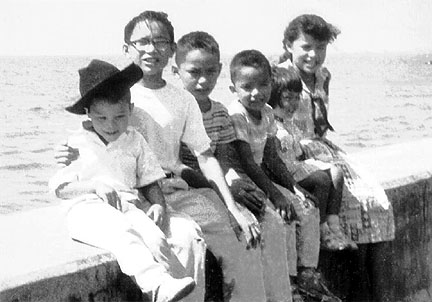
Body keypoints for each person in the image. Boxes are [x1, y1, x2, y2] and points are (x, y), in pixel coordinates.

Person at [52, 10, 268, 302]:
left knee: (238, 237)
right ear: (126, 47)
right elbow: (86, 139)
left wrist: (233, 208)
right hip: (130, 195)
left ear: (172, 49)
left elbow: (205, 156)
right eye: (142, 41)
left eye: (160, 41)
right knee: (182, 237)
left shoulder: (182, 98)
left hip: (170, 190)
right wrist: (64, 153)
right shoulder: (113, 95)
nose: (151, 49)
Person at [49, 60, 202, 302]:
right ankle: (156, 283)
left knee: (156, 238)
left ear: (130, 109)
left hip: (126, 206)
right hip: (86, 207)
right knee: (123, 233)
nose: (111, 125)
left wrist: (158, 204)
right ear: (88, 114)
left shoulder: (134, 140)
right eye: (102, 118)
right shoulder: (76, 143)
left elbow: (149, 179)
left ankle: (173, 291)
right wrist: (95, 186)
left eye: (119, 116)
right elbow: (61, 189)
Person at [278, 14, 395, 300]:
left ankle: (375, 290)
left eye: (319, 47)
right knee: (351, 202)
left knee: (377, 199)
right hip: (296, 148)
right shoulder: (281, 76)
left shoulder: (323, 75)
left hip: (322, 144)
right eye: (305, 47)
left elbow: (321, 119)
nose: (313, 54)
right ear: (288, 45)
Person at [173, 31, 292, 302]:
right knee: (242, 232)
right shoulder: (177, 110)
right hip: (196, 187)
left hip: (219, 183)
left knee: (271, 221)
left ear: (219, 71)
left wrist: (236, 185)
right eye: (194, 72)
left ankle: (278, 296)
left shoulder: (218, 111)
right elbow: (181, 166)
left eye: (211, 71)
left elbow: (225, 160)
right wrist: (230, 198)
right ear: (176, 70)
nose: (203, 80)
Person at [227, 49, 341, 302]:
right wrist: (277, 195)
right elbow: (247, 161)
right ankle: (288, 283)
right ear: (233, 89)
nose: (256, 92)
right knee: (284, 217)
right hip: (243, 181)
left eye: (263, 85)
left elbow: (271, 158)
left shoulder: (267, 112)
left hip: (263, 176)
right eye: (247, 87)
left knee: (308, 207)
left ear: (271, 84)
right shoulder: (236, 115)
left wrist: (294, 188)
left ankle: (307, 273)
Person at [268, 66, 357, 251]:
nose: (293, 104)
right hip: (284, 172)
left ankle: (334, 226)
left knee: (336, 172)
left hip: (295, 165)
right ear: (273, 96)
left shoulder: (287, 121)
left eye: (296, 98)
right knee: (322, 180)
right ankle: (323, 231)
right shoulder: (270, 123)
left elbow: (297, 150)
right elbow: (273, 159)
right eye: (287, 98)